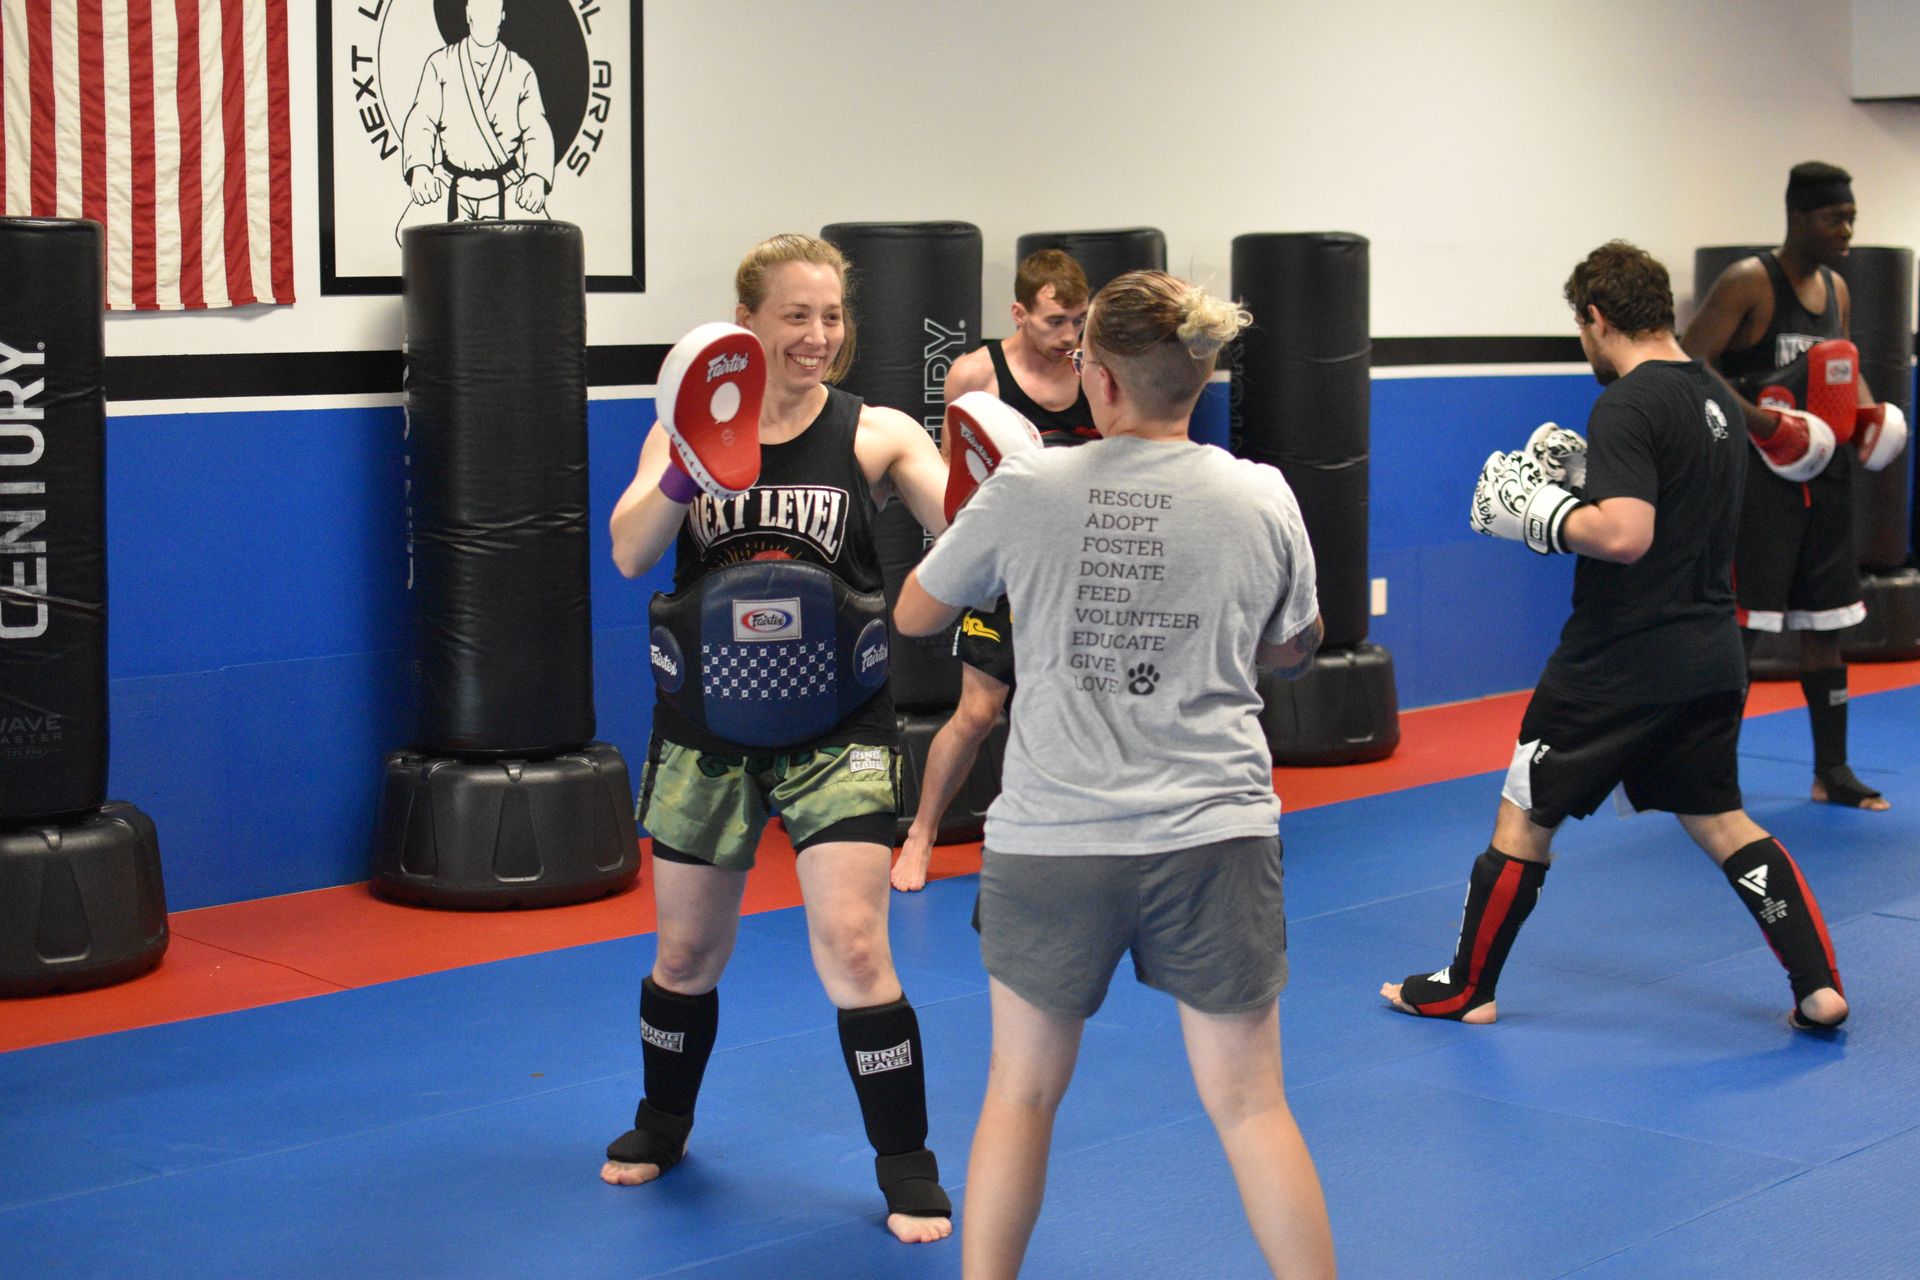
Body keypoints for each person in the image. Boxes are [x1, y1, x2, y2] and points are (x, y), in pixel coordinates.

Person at [897, 271, 1336, 1278]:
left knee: (1022, 1092)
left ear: (1097, 380)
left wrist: (980, 527)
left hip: (1057, 835)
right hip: (1215, 829)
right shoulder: (1259, 489)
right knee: (1252, 1102)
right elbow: (1297, 647)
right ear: (1200, 372)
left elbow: (917, 617)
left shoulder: (1029, 489)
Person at [1381, 241, 1850, 1037]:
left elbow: (1628, 534)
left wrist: (1542, 513)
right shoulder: (1714, 397)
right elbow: (1676, 509)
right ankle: (1819, 986)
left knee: (1522, 817)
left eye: (1580, 328)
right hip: (1708, 653)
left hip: (1616, 660)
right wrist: (1585, 478)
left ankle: (1467, 987)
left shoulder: (1628, 402)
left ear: (1595, 318)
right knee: (1724, 821)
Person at [604, 233, 955, 1244]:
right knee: (687, 947)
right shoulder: (684, 426)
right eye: (796, 315)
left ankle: (906, 1159)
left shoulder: (874, 432)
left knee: (853, 941)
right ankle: (662, 1120)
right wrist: (684, 469)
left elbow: (960, 519)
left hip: (838, 720)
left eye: (832, 315)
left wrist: (1006, 479)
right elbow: (630, 551)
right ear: (748, 321)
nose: (817, 335)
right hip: (706, 723)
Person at [1681, 161, 1902, 811]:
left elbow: (1842, 365)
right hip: (1761, 482)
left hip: (1824, 477)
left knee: (1825, 621)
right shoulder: (1750, 281)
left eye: (1853, 218)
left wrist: (1872, 416)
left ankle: (1831, 770)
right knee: (1744, 627)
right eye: (1837, 218)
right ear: (1800, 217)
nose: (1848, 230)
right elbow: (1690, 363)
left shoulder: (1838, 288)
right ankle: (1707, 772)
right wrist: (1761, 424)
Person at [893, 248, 1097, 893]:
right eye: (1055, 321)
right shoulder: (975, 374)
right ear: (1019, 312)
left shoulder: (1096, 372)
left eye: (1078, 322)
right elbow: (953, 487)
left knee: (1082, 708)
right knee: (979, 712)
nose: (1068, 337)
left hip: (1079, 570)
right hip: (1007, 572)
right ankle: (922, 835)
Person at [396, 0, 555, 241]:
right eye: (480, 11)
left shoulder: (521, 71)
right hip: (450, 180)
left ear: (502, 16)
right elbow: (422, 118)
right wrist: (419, 168)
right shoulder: (440, 64)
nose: (486, 19)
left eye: (492, 12)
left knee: (544, 242)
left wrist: (536, 177)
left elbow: (536, 127)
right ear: (468, 13)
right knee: (408, 237)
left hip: (506, 182)